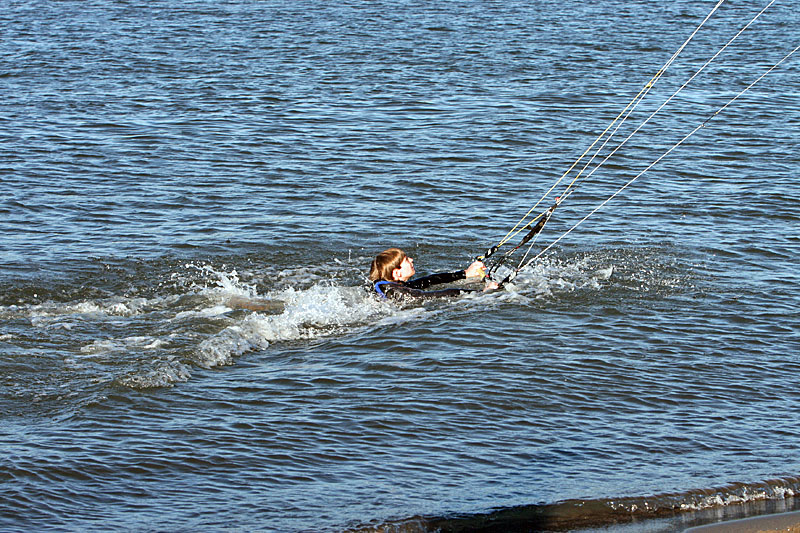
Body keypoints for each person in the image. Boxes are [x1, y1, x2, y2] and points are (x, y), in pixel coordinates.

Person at [368, 248, 498, 300]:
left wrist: (465, 273)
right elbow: (431, 295)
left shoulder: (393, 285)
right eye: (407, 260)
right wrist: (482, 292)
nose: (412, 260)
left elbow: (430, 280)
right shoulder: (393, 290)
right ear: (397, 273)